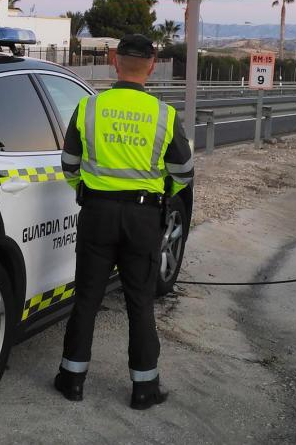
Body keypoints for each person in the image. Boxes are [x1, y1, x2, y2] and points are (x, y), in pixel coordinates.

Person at [54, 33, 194, 410]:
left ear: (116, 62)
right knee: (139, 301)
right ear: (152, 66)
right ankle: (144, 389)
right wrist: (159, 191)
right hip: (143, 218)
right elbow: (183, 172)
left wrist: (87, 187)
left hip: (97, 214)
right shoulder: (164, 115)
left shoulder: (88, 108)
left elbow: (69, 166)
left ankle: (72, 380)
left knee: (86, 298)